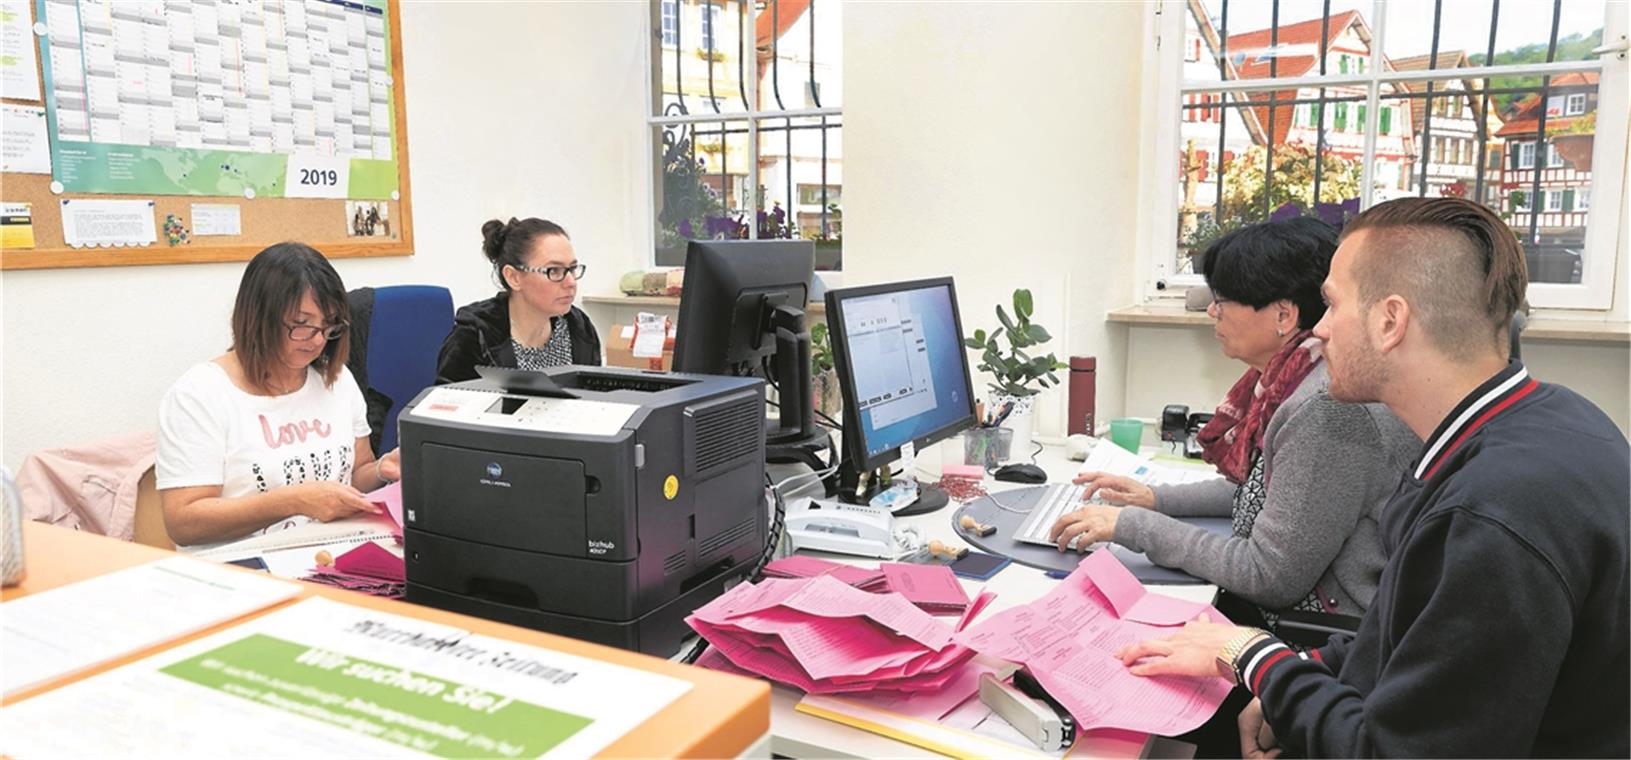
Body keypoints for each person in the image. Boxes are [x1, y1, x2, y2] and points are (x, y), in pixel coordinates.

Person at [1115, 197, 1629, 757]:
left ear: (1390, 321)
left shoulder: (1492, 514)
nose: (1321, 330)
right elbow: (1402, 639)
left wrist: (1251, 656)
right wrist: (1298, 672)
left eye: (1332, 306)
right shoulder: (1551, 419)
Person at [1050, 217, 1418, 627]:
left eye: (1223, 300)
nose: (1211, 311)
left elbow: (1268, 576)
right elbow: (1269, 493)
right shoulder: (1292, 380)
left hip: (1314, 634)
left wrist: (1132, 526)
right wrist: (1155, 499)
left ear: (1283, 314)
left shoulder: (1326, 409)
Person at [157, 243, 400, 549]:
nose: (317, 341)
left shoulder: (336, 380)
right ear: (259, 316)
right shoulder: (199, 395)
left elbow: (355, 473)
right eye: (301, 325)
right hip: (242, 568)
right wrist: (293, 501)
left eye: (329, 326)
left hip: (330, 555)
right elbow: (184, 521)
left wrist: (381, 470)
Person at [436, 217, 601, 383]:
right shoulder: (475, 336)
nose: (571, 282)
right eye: (554, 270)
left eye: (572, 269)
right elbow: (446, 405)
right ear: (513, 277)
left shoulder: (579, 327)